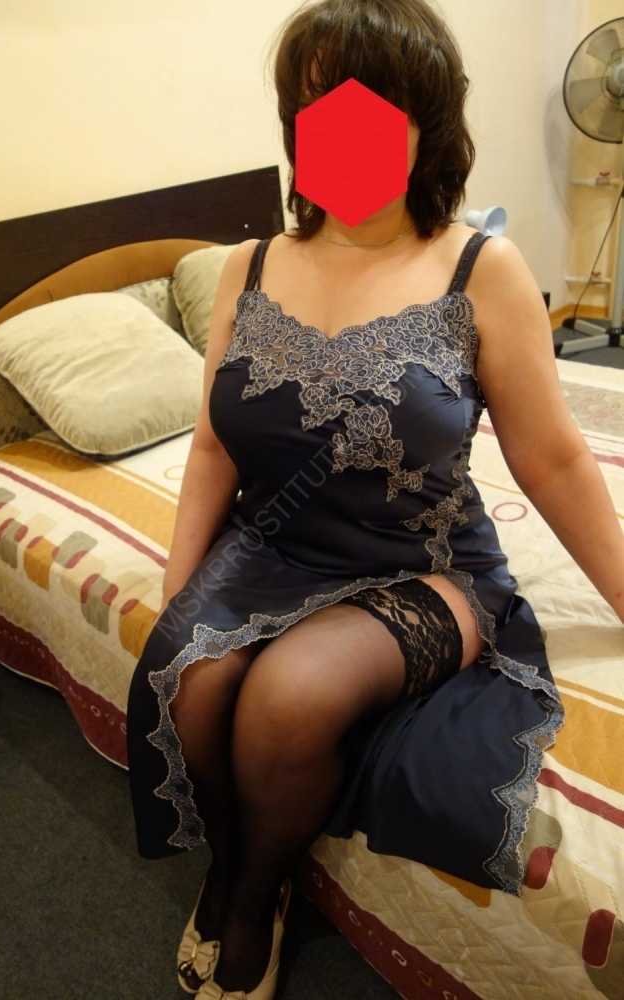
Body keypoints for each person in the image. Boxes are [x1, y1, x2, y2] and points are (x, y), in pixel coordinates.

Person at [126, 2, 621, 998]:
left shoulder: (480, 267)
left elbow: (556, 461)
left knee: (288, 696)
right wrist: (179, 596)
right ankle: (238, 867)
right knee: (189, 680)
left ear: (423, 121)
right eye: (315, 106)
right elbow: (215, 442)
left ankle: (251, 895)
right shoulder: (247, 266)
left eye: (368, 104)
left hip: (426, 566)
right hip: (273, 547)